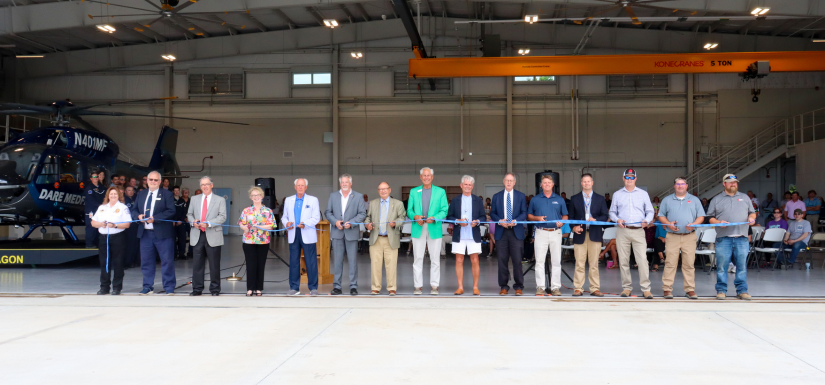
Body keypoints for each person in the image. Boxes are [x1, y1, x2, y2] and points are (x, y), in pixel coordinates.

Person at [707, 174, 757, 300]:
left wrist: (752, 218)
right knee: (722, 267)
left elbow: (752, 213)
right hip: (724, 238)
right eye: (730, 182)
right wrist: (718, 223)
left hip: (742, 237)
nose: (733, 184)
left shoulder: (745, 197)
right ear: (724, 184)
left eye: (735, 182)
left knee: (741, 266)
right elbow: (709, 217)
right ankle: (721, 290)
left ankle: (742, 291)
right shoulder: (716, 199)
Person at [609, 168, 655, 299]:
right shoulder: (617, 194)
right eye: (627, 177)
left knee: (642, 261)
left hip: (639, 231)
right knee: (623, 261)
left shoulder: (643, 194)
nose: (629, 180)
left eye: (632, 177)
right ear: (623, 178)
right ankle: (626, 288)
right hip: (623, 230)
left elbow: (650, 211)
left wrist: (646, 220)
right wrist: (617, 219)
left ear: (635, 179)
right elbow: (612, 212)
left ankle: (646, 289)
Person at [657, 177, 706, 300]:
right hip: (672, 236)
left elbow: (701, 216)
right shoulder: (667, 200)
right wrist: (668, 224)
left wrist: (694, 224)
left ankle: (690, 290)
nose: (680, 186)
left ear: (687, 186)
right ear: (674, 186)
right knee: (670, 263)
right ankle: (667, 289)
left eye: (682, 184)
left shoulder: (694, 200)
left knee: (689, 264)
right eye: (678, 184)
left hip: (689, 236)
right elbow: (661, 216)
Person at [131, 170, 177, 295]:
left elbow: (171, 211)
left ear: (160, 182)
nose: (153, 182)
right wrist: (138, 216)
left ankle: (169, 287)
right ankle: (147, 286)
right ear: (147, 181)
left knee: (167, 260)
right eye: (150, 179)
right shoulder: (141, 194)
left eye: (155, 180)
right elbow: (133, 210)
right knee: (146, 261)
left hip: (163, 233)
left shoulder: (167, 194)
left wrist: (155, 218)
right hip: (145, 233)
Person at [407, 167, 448, 295]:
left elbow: (444, 210)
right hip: (418, 227)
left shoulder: (440, 192)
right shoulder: (414, 191)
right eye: (424, 175)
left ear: (432, 176)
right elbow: (409, 210)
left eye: (428, 175)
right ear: (420, 177)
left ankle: (434, 285)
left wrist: (435, 218)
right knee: (418, 257)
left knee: (435, 258)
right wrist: (415, 217)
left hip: (434, 227)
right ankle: (417, 286)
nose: (426, 177)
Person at [325, 174, 367, 296]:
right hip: (337, 232)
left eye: (346, 182)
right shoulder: (333, 196)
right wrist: (335, 221)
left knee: (353, 261)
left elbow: (362, 214)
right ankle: (337, 286)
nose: (344, 184)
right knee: (337, 261)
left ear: (351, 183)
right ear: (340, 183)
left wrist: (352, 223)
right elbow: (328, 212)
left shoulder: (358, 196)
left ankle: (353, 286)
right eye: (342, 182)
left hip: (351, 232)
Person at [569, 173, 609, 297]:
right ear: (581, 183)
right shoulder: (574, 198)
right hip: (580, 234)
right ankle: (578, 288)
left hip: (595, 234)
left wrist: (595, 220)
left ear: (592, 183)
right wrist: (574, 227)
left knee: (594, 264)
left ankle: (594, 288)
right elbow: (570, 218)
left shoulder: (600, 198)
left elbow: (605, 216)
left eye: (588, 181)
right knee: (579, 263)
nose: (586, 183)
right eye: (584, 182)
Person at [527, 174, 568, 296]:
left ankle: (555, 287)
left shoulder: (560, 199)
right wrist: (537, 218)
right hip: (541, 232)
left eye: (549, 183)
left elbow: (565, 215)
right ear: (541, 185)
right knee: (539, 261)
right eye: (544, 183)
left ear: (553, 184)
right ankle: (540, 287)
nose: (546, 185)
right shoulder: (535, 199)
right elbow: (529, 216)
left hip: (556, 232)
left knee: (556, 261)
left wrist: (563, 222)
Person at [187, 176, 226, 296]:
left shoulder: (220, 200)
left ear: (211, 185)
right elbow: (189, 214)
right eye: (202, 185)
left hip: (212, 234)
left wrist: (208, 223)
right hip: (197, 234)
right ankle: (197, 289)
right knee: (197, 264)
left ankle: (215, 289)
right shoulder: (194, 199)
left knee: (214, 265)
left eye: (207, 184)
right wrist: (193, 222)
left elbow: (222, 217)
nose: (205, 186)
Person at [364, 182, 406, 295]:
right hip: (376, 238)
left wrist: (396, 223)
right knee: (375, 264)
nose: (383, 191)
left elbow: (402, 218)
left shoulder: (398, 204)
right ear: (378, 191)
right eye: (381, 189)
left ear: (390, 190)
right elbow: (367, 217)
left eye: (385, 189)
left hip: (391, 237)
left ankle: (392, 288)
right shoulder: (373, 203)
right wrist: (367, 225)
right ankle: (375, 287)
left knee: (391, 264)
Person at [446, 175, 485, 295]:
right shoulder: (455, 200)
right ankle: (460, 287)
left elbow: (483, 217)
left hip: (474, 234)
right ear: (461, 186)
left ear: (472, 186)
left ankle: (475, 287)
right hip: (459, 234)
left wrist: (477, 222)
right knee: (459, 260)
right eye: (465, 184)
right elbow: (449, 217)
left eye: (470, 185)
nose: (467, 187)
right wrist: (458, 221)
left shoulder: (478, 200)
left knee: (475, 260)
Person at [490, 173, 527, 296]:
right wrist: (500, 221)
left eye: (511, 180)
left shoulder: (521, 196)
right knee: (502, 261)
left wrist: (516, 221)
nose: (509, 182)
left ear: (515, 182)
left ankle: (518, 286)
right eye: (507, 180)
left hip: (516, 232)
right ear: (503, 181)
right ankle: (504, 286)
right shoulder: (496, 196)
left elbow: (524, 213)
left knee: (517, 260)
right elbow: (493, 213)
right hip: (502, 232)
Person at [282, 178, 321, 296]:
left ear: (306, 187)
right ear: (295, 187)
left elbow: (316, 217)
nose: (300, 187)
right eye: (298, 185)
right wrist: (287, 223)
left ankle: (313, 288)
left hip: (307, 232)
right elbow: (284, 217)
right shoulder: (288, 200)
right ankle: (294, 287)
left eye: (302, 185)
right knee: (294, 262)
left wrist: (305, 224)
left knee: (311, 262)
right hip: (293, 233)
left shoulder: (313, 200)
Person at [90, 187, 133, 295]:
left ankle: (117, 287)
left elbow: (127, 224)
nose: (113, 196)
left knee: (118, 263)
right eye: (111, 194)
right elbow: (93, 223)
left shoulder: (122, 208)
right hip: (104, 237)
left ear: (119, 195)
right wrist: (101, 224)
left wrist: (115, 225)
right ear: (108, 196)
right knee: (104, 263)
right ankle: (104, 287)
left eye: (115, 194)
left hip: (117, 237)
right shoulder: (102, 207)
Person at [238, 186, 275, 296]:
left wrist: (260, 226)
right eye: (254, 195)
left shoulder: (268, 211)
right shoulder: (246, 210)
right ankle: (250, 288)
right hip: (249, 241)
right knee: (250, 264)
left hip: (263, 241)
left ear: (262, 196)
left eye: (258, 195)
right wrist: (244, 227)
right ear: (251, 197)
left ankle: (259, 288)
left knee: (260, 264)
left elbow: (272, 226)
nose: (256, 197)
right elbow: (241, 223)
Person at [85, 168, 106, 248]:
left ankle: (97, 243)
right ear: (91, 178)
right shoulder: (89, 188)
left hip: (100, 211)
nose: (96, 178)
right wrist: (100, 205)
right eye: (94, 177)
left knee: (99, 227)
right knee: (91, 227)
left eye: (97, 176)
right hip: (91, 210)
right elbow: (91, 199)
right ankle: (89, 244)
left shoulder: (102, 187)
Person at [123, 186, 140, 268]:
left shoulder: (135, 199)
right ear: (125, 191)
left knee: (135, 244)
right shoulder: (124, 200)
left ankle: (134, 260)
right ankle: (127, 262)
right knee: (129, 244)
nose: (130, 192)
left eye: (132, 190)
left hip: (136, 224)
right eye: (129, 190)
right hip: (129, 225)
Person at [175, 187, 192, 259]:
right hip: (181, 223)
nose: (186, 193)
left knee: (192, 238)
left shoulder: (191, 200)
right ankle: (181, 254)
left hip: (190, 222)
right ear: (182, 193)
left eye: (187, 192)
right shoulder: (179, 201)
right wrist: (181, 220)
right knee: (182, 238)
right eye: (184, 192)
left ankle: (190, 252)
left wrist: (189, 218)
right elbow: (176, 212)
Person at [171, 186, 186, 260]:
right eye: (175, 190)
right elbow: (170, 211)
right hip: (173, 223)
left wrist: (181, 220)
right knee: (173, 239)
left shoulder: (182, 200)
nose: (176, 192)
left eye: (178, 190)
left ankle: (181, 254)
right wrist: (173, 220)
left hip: (181, 223)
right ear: (173, 191)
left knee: (182, 239)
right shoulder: (170, 200)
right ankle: (174, 255)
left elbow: (185, 212)